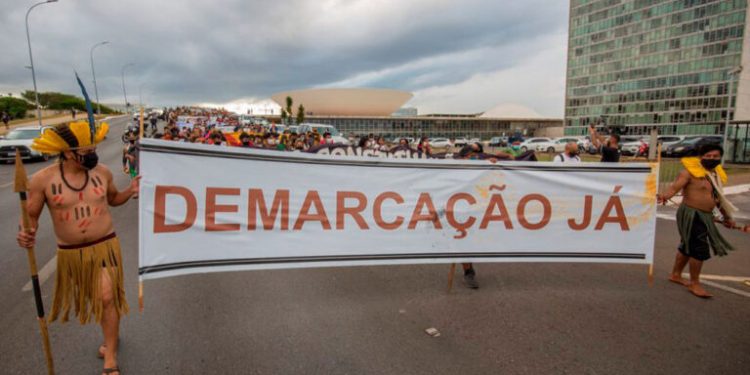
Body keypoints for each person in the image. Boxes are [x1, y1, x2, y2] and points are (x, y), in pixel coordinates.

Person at [17, 121, 138, 375]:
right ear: (68, 153)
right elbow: (31, 217)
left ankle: (111, 360)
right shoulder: (42, 180)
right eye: (85, 152)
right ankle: (109, 340)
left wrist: (131, 190)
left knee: (107, 297)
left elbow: (113, 199)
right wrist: (26, 233)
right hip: (72, 255)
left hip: (105, 245)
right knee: (98, 300)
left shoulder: (102, 172)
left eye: (93, 149)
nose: (92, 156)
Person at [657, 144, 737, 298]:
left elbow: (719, 199)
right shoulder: (688, 173)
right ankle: (695, 283)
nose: (712, 159)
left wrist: (727, 217)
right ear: (701, 157)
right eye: (708, 156)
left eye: (715, 156)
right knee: (698, 248)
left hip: (705, 216)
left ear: (720, 157)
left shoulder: (716, 175)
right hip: (691, 215)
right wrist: (664, 196)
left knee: (688, 244)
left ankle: (675, 274)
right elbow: (674, 188)